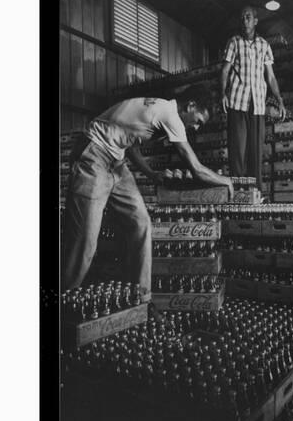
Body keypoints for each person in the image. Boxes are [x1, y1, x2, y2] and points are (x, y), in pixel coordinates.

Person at [62, 84, 233, 301]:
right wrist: (225, 181)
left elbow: (131, 143)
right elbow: (196, 169)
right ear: (190, 106)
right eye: (198, 121)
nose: (196, 128)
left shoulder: (159, 109)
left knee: (141, 223)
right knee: (85, 241)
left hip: (116, 160)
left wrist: (151, 174)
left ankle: (141, 298)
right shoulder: (169, 115)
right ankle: (63, 303)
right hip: (93, 154)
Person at [220, 5, 286, 186]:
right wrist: (223, 94)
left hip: (257, 105)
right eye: (242, 17)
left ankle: (255, 193)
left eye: (248, 17)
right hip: (237, 102)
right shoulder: (234, 42)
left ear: (255, 21)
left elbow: (270, 76)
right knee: (238, 151)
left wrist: (279, 99)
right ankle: (238, 193)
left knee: (256, 152)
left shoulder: (264, 45)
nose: (244, 20)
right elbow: (225, 71)